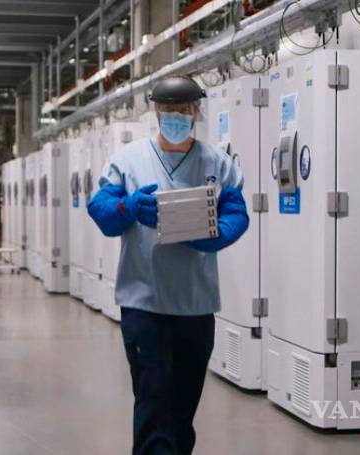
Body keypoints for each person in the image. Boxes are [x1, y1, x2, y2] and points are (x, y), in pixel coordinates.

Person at [87, 76, 249, 455]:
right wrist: (127, 207)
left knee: (182, 410)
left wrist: (213, 234)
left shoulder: (217, 163)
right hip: (145, 304)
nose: (176, 116)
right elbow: (102, 210)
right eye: (168, 109)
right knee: (154, 404)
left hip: (196, 305)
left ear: (196, 112)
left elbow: (236, 214)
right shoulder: (128, 161)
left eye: (184, 109)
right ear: (156, 112)